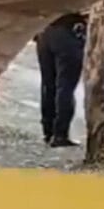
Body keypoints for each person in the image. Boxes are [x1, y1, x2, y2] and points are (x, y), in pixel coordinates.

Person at [36, 10, 87, 147]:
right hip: (68, 31)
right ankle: (60, 134)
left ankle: (48, 131)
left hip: (45, 30)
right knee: (65, 86)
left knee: (48, 84)